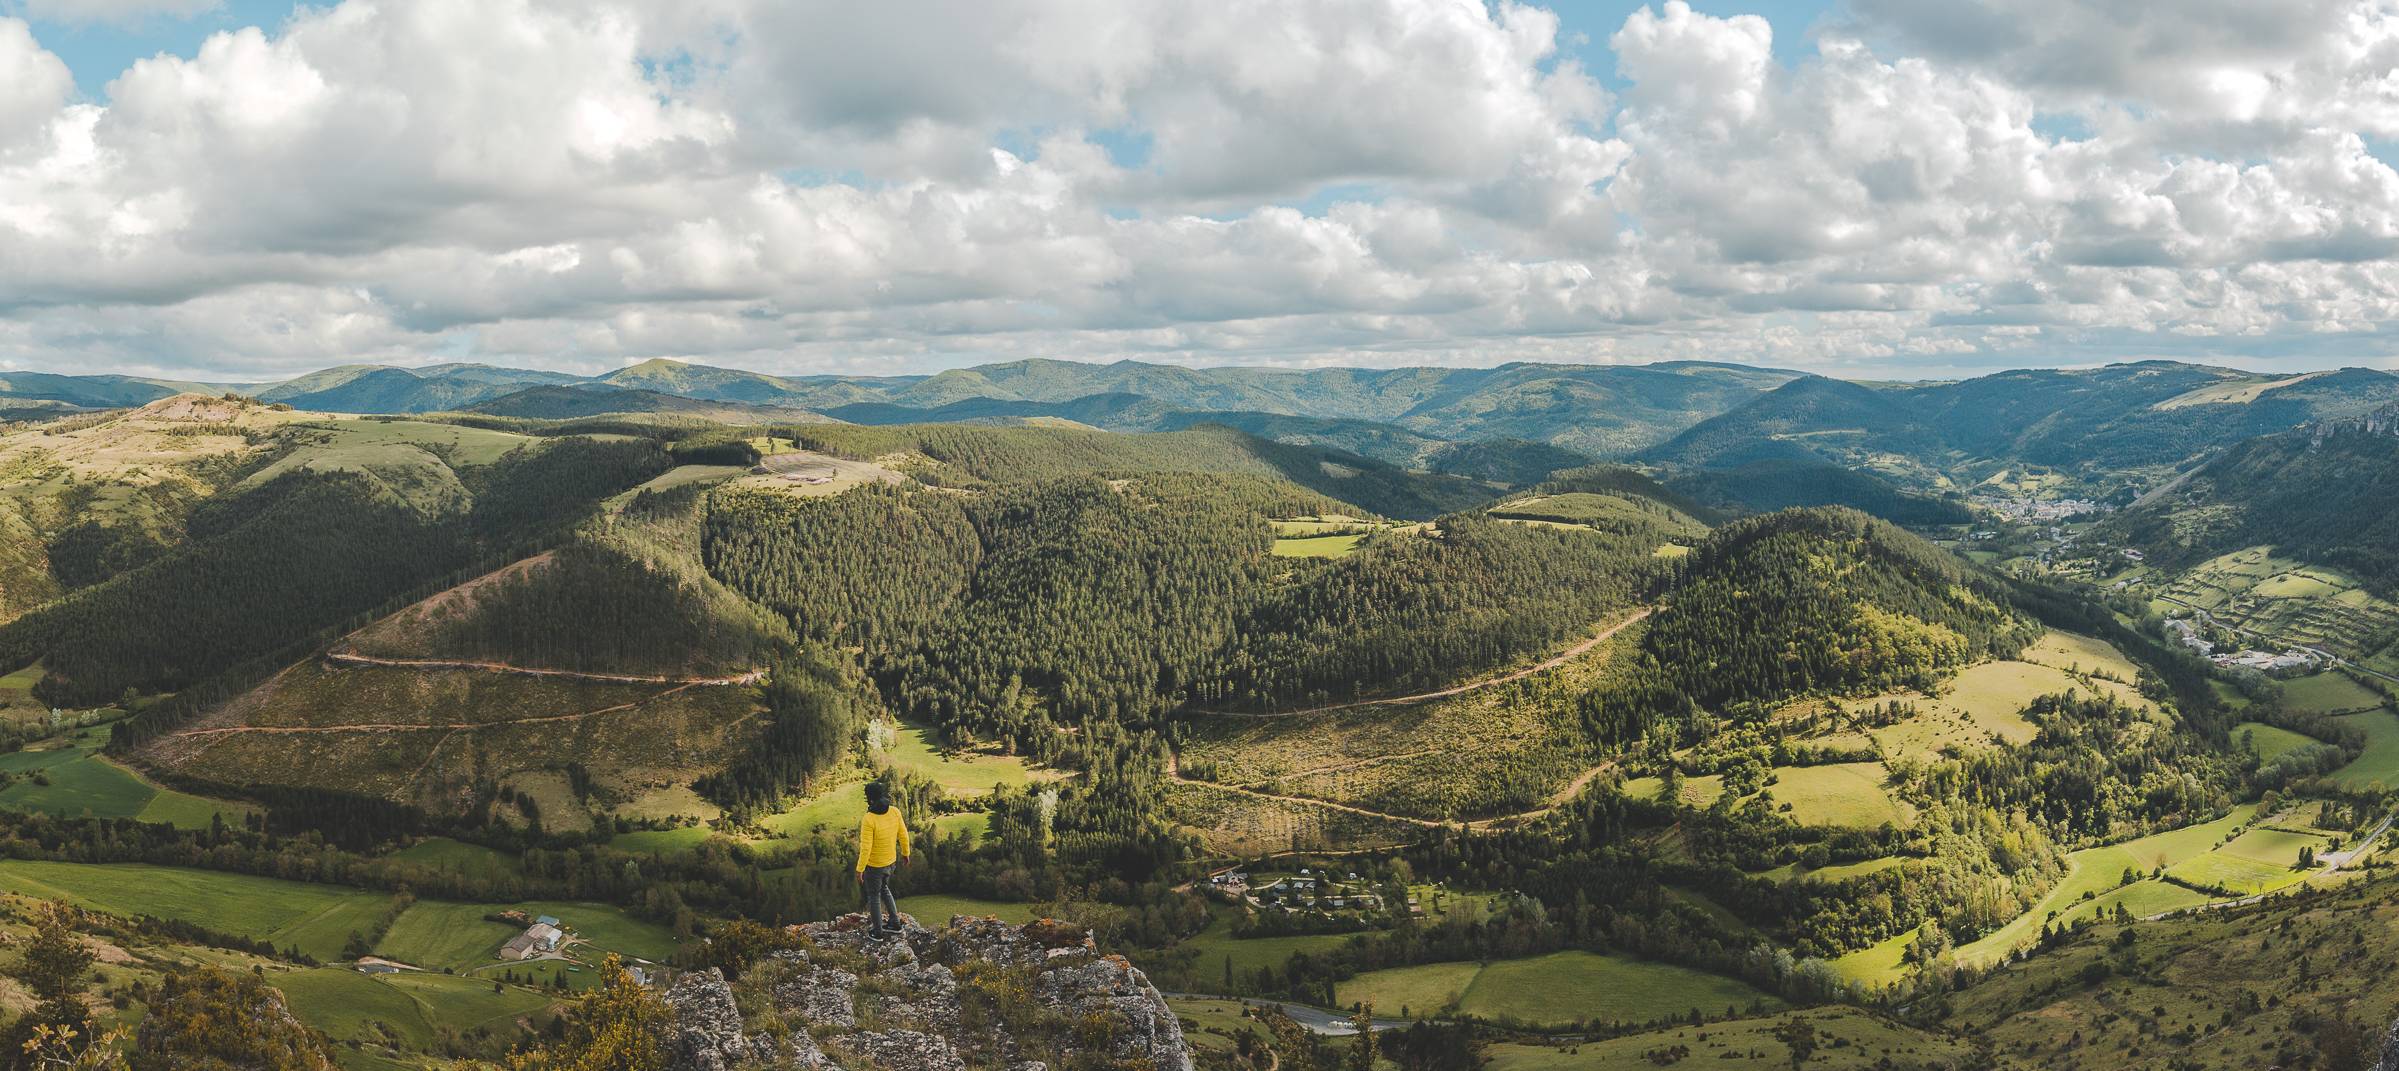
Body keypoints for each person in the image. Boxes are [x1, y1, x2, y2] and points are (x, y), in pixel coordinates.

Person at [856, 780, 911, 938]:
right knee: (885, 889)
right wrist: (906, 853)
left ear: (870, 799)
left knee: (873, 896)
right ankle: (895, 923)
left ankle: (878, 932)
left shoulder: (869, 819)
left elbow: (866, 848)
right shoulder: (894, 811)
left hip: (874, 866)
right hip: (890, 863)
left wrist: (860, 869)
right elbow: (903, 834)